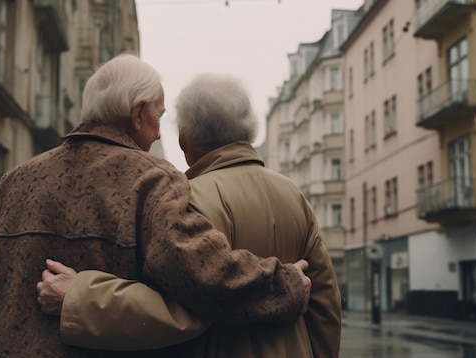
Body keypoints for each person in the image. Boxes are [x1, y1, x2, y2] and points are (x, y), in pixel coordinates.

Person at [0, 54, 312, 357]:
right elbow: (206, 277)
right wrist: (287, 284)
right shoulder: (151, 180)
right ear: (137, 113)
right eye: (158, 118)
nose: (161, 135)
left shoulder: (13, 182)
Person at [37, 73, 342, 357]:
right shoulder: (294, 196)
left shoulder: (183, 200)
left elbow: (172, 310)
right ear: (248, 128)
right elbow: (326, 304)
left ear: (184, 140)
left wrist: (80, 299)